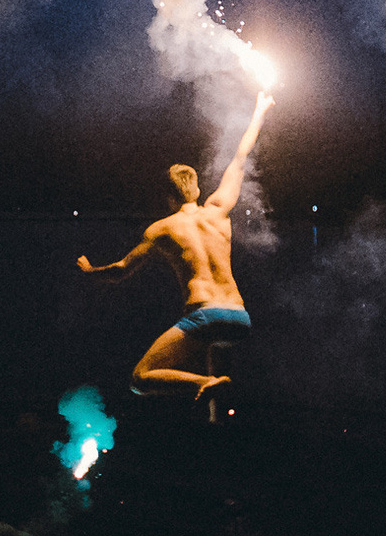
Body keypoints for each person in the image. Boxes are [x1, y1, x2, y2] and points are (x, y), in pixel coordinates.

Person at [76, 88, 273, 403]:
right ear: (196, 189)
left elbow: (121, 270)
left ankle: (201, 383)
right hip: (239, 316)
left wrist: (89, 271)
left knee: (140, 378)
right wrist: (260, 111)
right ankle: (216, 412)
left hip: (204, 315)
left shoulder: (162, 228)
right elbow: (240, 158)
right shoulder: (218, 210)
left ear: (169, 197)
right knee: (215, 355)